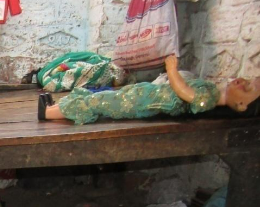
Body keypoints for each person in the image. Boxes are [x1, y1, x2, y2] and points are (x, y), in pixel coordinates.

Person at [38, 55, 260, 124]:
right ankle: (56, 106)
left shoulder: (208, 98)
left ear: (241, 105)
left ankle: (48, 113)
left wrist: (172, 71)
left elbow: (186, 94)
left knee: (99, 102)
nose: (242, 81)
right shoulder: (211, 89)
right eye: (247, 79)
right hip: (147, 94)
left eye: (247, 87)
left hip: (144, 103)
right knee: (106, 96)